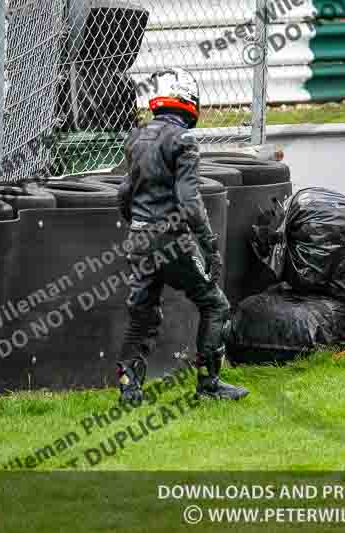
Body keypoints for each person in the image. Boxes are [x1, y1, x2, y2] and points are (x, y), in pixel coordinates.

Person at [115, 67, 249, 403]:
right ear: (188, 100)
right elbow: (190, 201)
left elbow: (123, 192)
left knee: (141, 312)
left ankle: (129, 391)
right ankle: (208, 385)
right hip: (170, 239)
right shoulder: (183, 140)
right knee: (215, 304)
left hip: (139, 236)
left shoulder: (136, 138)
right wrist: (210, 245)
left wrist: (136, 226)